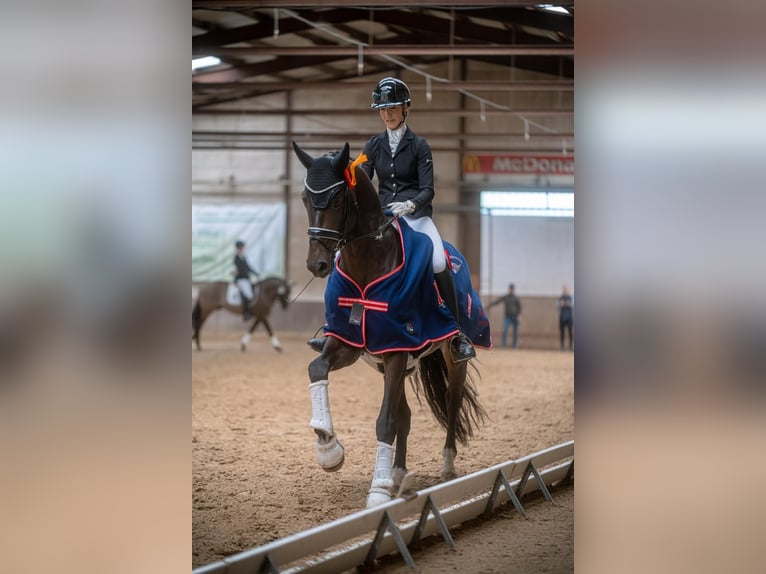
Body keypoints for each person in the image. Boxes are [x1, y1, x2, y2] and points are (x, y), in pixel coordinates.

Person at [361, 76, 475, 362]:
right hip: (385, 218)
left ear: (406, 108)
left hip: (416, 217)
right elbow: (362, 181)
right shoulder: (373, 146)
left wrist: (410, 204)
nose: (387, 114)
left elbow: (429, 189)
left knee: (437, 260)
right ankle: (339, 325)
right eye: (383, 109)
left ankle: (457, 333)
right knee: (345, 257)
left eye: (393, 108)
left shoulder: (419, 146)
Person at [488, 283, 522, 348]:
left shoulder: (516, 298)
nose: (511, 290)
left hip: (515, 317)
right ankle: (504, 345)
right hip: (508, 317)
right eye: (510, 289)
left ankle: (514, 346)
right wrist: (490, 305)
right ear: (509, 289)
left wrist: (519, 315)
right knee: (505, 330)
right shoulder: (506, 297)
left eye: (512, 289)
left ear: (513, 290)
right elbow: (497, 301)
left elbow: (519, 307)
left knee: (515, 332)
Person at [233, 240, 260, 321]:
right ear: (239, 248)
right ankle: (246, 313)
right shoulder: (236, 258)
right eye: (242, 247)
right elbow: (240, 269)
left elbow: (248, 267)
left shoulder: (244, 257)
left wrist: (256, 273)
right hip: (241, 279)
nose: (243, 248)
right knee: (248, 295)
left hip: (246, 279)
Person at [558, 285, 574, 350]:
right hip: (562, 317)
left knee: (570, 332)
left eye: (566, 290)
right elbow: (557, 305)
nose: (565, 291)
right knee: (562, 332)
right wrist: (560, 304)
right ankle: (562, 346)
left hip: (569, 317)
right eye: (564, 290)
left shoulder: (571, 298)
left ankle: (570, 346)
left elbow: (573, 305)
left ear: (568, 291)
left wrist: (568, 304)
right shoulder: (560, 298)